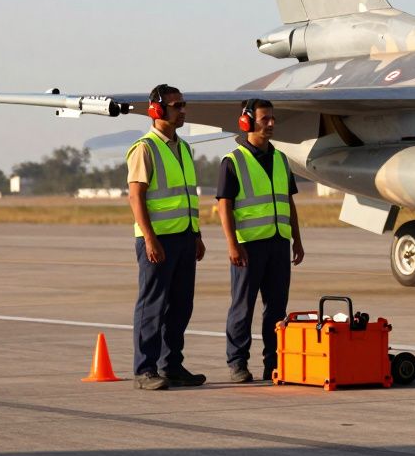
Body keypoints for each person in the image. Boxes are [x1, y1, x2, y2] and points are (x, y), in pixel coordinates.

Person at [216, 98, 304, 383]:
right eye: (265, 119)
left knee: (277, 309)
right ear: (247, 122)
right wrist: (232, 244)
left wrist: (297, 240)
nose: (271, 124)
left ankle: (274, 362)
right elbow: (224, 206)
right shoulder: (233, 161)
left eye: (272, 119)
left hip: (279, 243)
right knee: (243, 306)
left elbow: (288, 202)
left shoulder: (280, 159)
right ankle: (238, 363)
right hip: (248, 246)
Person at [126, 84, 206, 391]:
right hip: (158, 239)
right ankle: (144, 369)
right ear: (157, 110)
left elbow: (187, 196)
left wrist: (196, 234)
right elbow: (136, 197)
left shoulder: (184, 148)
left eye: (183, 104)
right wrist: (149, 238)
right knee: (152, 306)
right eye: (176, 105)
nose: (182, 110)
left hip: (184, 238)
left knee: (181, 305)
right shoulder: (144, 148)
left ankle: (171, 365)